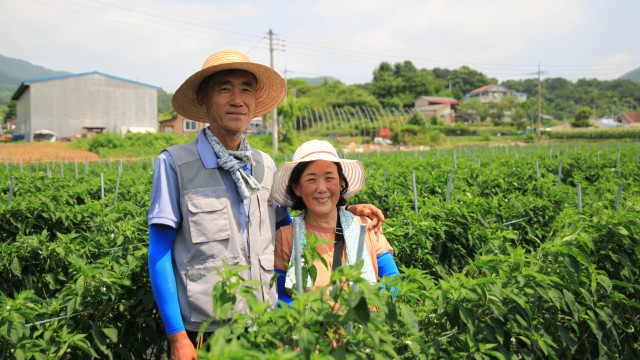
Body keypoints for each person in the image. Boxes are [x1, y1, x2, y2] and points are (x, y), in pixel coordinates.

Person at [147, 50, 385, 360]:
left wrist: (344, 214)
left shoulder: (264, 165)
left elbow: (288, 229)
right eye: (224, 88)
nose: (237, 99)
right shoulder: (176, 164)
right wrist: (176, 335)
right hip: (204, 330)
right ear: (205, 99)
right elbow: (160, 252)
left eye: (246, 89)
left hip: (264, 323)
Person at [272, 140, 399, 304]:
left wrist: (368, 310)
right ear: (297, 187)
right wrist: (311, 314)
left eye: (329, 178)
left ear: (340, 183)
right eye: (311, 179)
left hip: (364, 327)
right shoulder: (287, 236)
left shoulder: (365, 227)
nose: (321, 188)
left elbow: (393, 284)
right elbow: (279, 296)